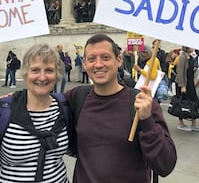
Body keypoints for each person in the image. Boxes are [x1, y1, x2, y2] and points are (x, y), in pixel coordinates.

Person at [65, 34, 177, 182]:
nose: (98, 64)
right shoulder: (76, 97)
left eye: (105, 57)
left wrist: (147, 121)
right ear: (84, 64)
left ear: (118, 60)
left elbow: (165, 164)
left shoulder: (140, 102)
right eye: (92, 59)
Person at [0, 44, 70, 182]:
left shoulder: (64, 107)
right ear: (25, 73)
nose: (42, 77)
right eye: (35, 70)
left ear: (57, 74)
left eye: (49, 70)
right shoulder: (3, 111)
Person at [175, 46, 199, 132]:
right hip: (184, 83)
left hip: (190, 82)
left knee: (193, 102)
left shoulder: (191, 57)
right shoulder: (182, 57)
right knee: (182, 103)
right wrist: (182, 86)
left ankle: (194, 124)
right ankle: (181, 123)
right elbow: (180, 72)